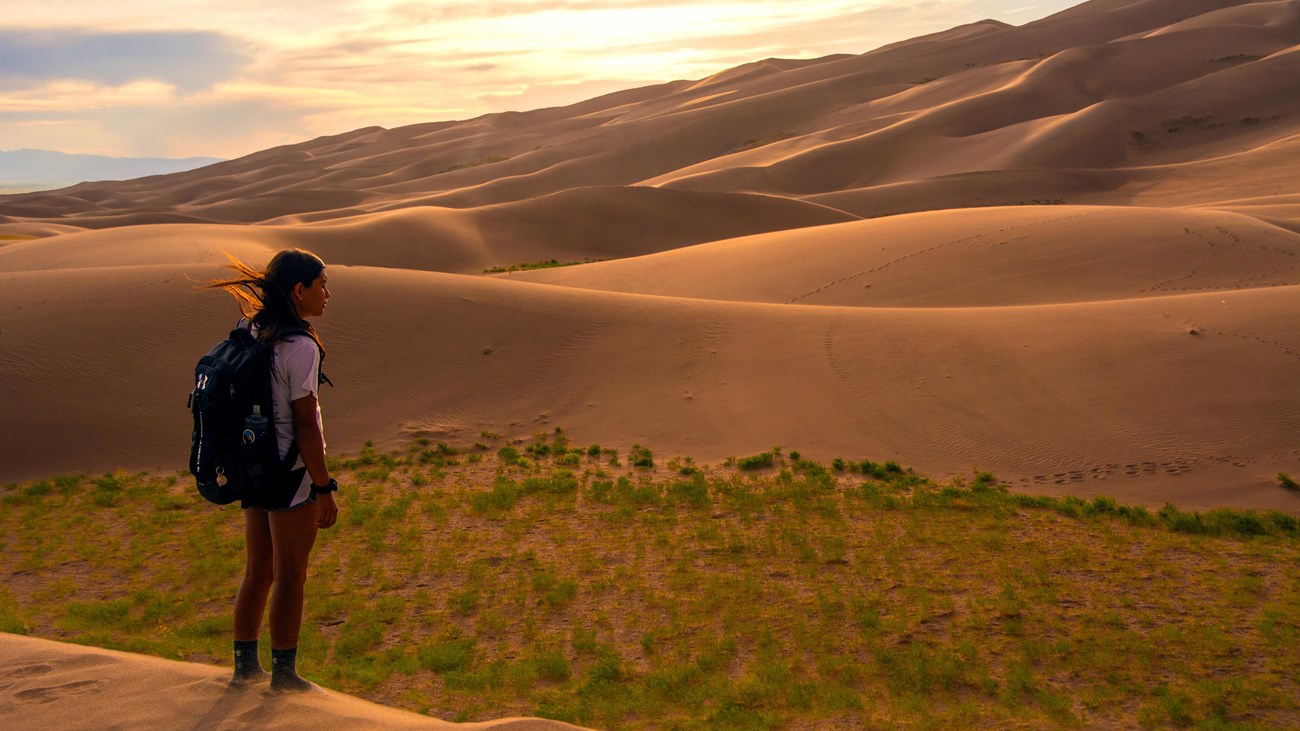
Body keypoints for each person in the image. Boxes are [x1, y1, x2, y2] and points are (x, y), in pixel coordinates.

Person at [204, 248, 339, 692]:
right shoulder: (298, 346)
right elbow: (305, 424)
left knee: (257, 568)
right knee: (291, 572)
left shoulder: (252, 328)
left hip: (251, 464)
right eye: (321, 285)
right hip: (289, 472)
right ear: (299, 291)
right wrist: (323, 487)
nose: (327, 294)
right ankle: (284, 675)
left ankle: (245, 668)